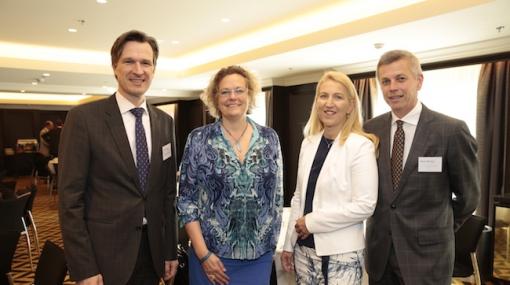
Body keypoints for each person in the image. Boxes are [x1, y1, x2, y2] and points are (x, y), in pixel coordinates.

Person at [58, 30, 178, 285]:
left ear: (154, 69)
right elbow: (70, 201)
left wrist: (170, 251)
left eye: (146, 63)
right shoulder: (84, 119)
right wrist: (83, 267)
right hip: (103, 258)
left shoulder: (165, 122)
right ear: (115, 67)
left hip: (152, 253)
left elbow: (168, 195)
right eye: (129, 61)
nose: (138, 70)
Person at [364, 50, 480, 285]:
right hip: (381, 255)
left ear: (419, 81)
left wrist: (436, 227)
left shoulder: (450, 130)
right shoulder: (370, 130)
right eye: (385, 81)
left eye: (400, 78)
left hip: (428, 258)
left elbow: (469, 197)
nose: (392, 87)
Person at [177, 65, 283, 285]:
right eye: (225, 92)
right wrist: (203, 254)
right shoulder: (198, 139)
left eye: (239, 90)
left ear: (249, 94)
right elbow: (186, 201)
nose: (232, 97)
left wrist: (271, 244)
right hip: (210, 257)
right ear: (215, 98)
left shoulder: (269, 138)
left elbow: (277, 196)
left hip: (258, 258)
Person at [280, 71, 379, 284]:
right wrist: (289, 243)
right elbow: (299, 196)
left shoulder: (360, 146)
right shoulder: (308, 143)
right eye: (323, 96)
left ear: (350, 106)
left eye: (338, 97)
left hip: (342, 255)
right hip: (303, 251)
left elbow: (365, 206)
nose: (329, 103)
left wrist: (312, 222)